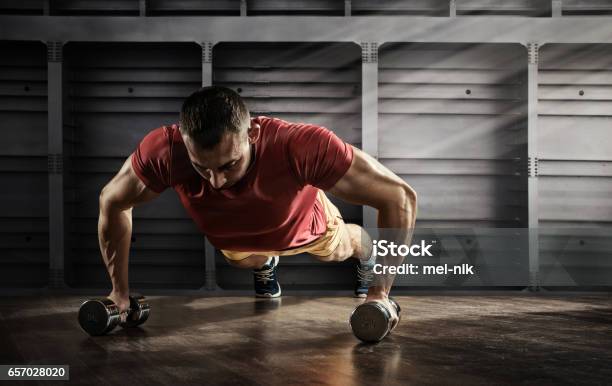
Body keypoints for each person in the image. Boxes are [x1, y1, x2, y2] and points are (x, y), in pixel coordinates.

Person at [98, 86, 417, 324]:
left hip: (307, 226)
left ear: (253, 133)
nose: (216, 183)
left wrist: (380, 294)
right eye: (201, 168)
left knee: (343, 246)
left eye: (228, 165)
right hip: (237, 241)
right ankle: (266, 265)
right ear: (183, 139)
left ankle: (368, 255)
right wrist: (119, 292)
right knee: (245, 259)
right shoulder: (165, 151)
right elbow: (112, 201)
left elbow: (398, 197)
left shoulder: (300, 145)